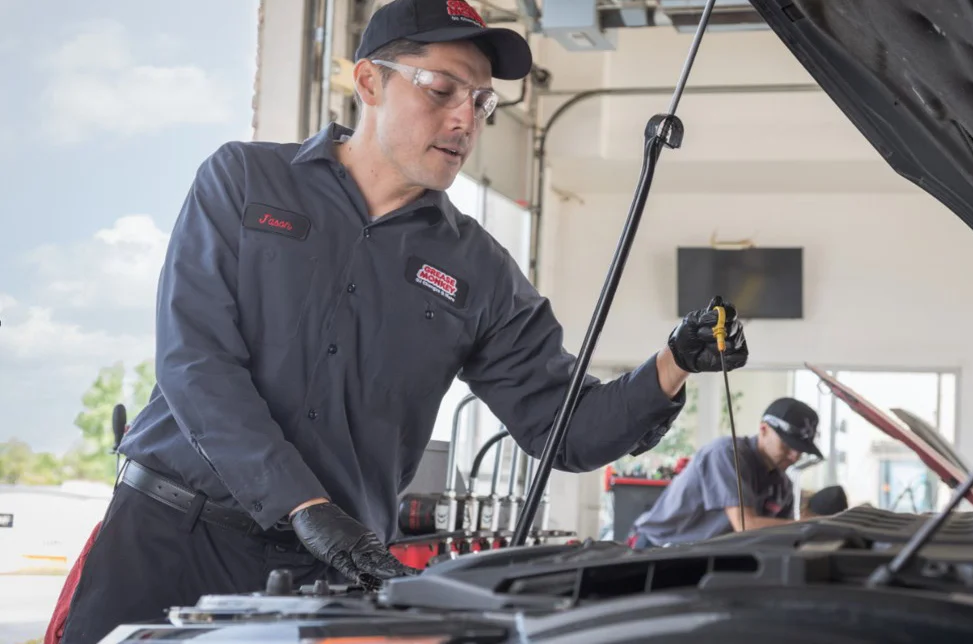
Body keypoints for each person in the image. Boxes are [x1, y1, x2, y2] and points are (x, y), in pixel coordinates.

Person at [53, 1, 749, 641]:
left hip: (321, 582)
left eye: (481, 102)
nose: (464, 120)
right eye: (440, 90)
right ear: (369, 82)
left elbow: (561, 428)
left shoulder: (479, 272)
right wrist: (304, 504)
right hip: (163, 539)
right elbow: (195, 363)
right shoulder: (242, 182)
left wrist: (672, 363)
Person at [627, 397, 823, 549]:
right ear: (763, 429)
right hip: (657, 549)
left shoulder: (783, 486)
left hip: (703, 556)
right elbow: (746, 525)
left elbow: (782, 534)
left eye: (801, 449)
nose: (795, 456)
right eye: (788, 445)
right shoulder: (726, 454)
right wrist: (815, 525)